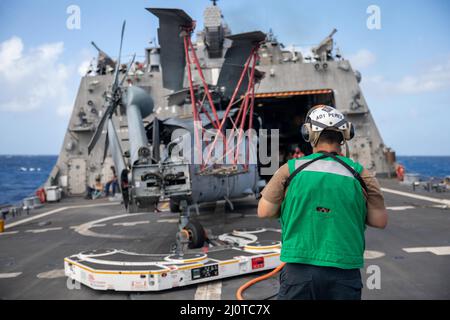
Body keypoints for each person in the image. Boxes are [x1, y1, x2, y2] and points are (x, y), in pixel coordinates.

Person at [258, 105, 387, 300]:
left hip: (298, 270)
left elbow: (265, 211)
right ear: (345, 135)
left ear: (309, 134)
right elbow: (379, 220)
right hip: (344, 271)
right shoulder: (361, 175)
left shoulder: (290, 170)